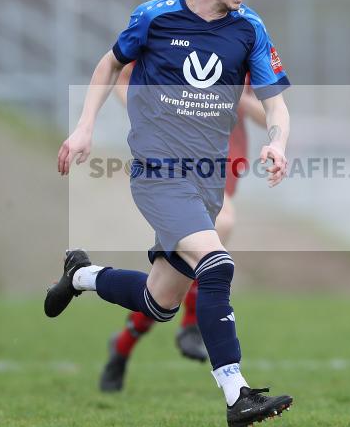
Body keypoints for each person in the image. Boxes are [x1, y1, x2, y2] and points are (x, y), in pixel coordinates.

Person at [47, 0, 293, 427]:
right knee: (217, 264)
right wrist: (85, 127)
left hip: (207, 180)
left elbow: (275, 104)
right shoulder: (154, 17)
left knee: (158, 302)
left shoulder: (250, 29)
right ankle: (237, 393)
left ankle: (81, 276)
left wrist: (278, 141)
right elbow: (109, 65)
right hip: (158, 173)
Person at [100, 65, 266, 392]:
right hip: (175, 157)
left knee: (171, 282)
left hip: (222, 157)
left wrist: (239, 97)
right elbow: (122, 76)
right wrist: (143, 113)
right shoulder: (170, 37)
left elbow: (269, 111)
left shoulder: (245, 43)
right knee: (202, 248)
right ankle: (178, 327)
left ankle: (125, 343)